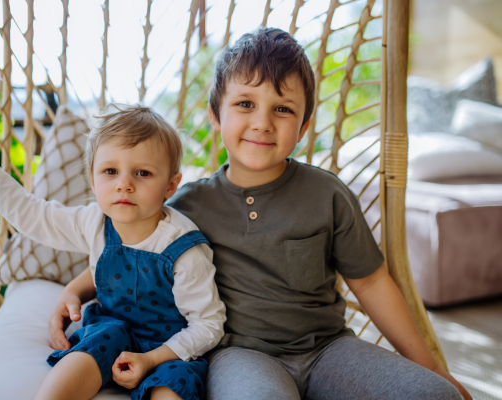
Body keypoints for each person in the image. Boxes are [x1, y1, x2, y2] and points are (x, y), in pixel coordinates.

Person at [166, 27, 472, 400]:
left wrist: (429, 366)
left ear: (303, 127)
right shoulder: (188, 205)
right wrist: (79, 291)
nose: (263, 122)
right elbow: (130, 244)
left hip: (329, 349)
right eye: (245, 104)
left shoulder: (327, 193)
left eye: (283, 108)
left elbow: (372, 283)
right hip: (240, 355)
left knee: (436, 395)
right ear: (215, 115)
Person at [0, 104, 226, 400]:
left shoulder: (184, 249)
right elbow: (31, 214)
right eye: (110, 171)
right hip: (111, 331)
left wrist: (151, 359)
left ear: (171, 185)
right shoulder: (94, 222)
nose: (124, 184)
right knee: (88, 352)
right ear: (92, 180)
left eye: (143, 173)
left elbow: (208, 323)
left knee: (173, 388)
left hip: (169, 348)